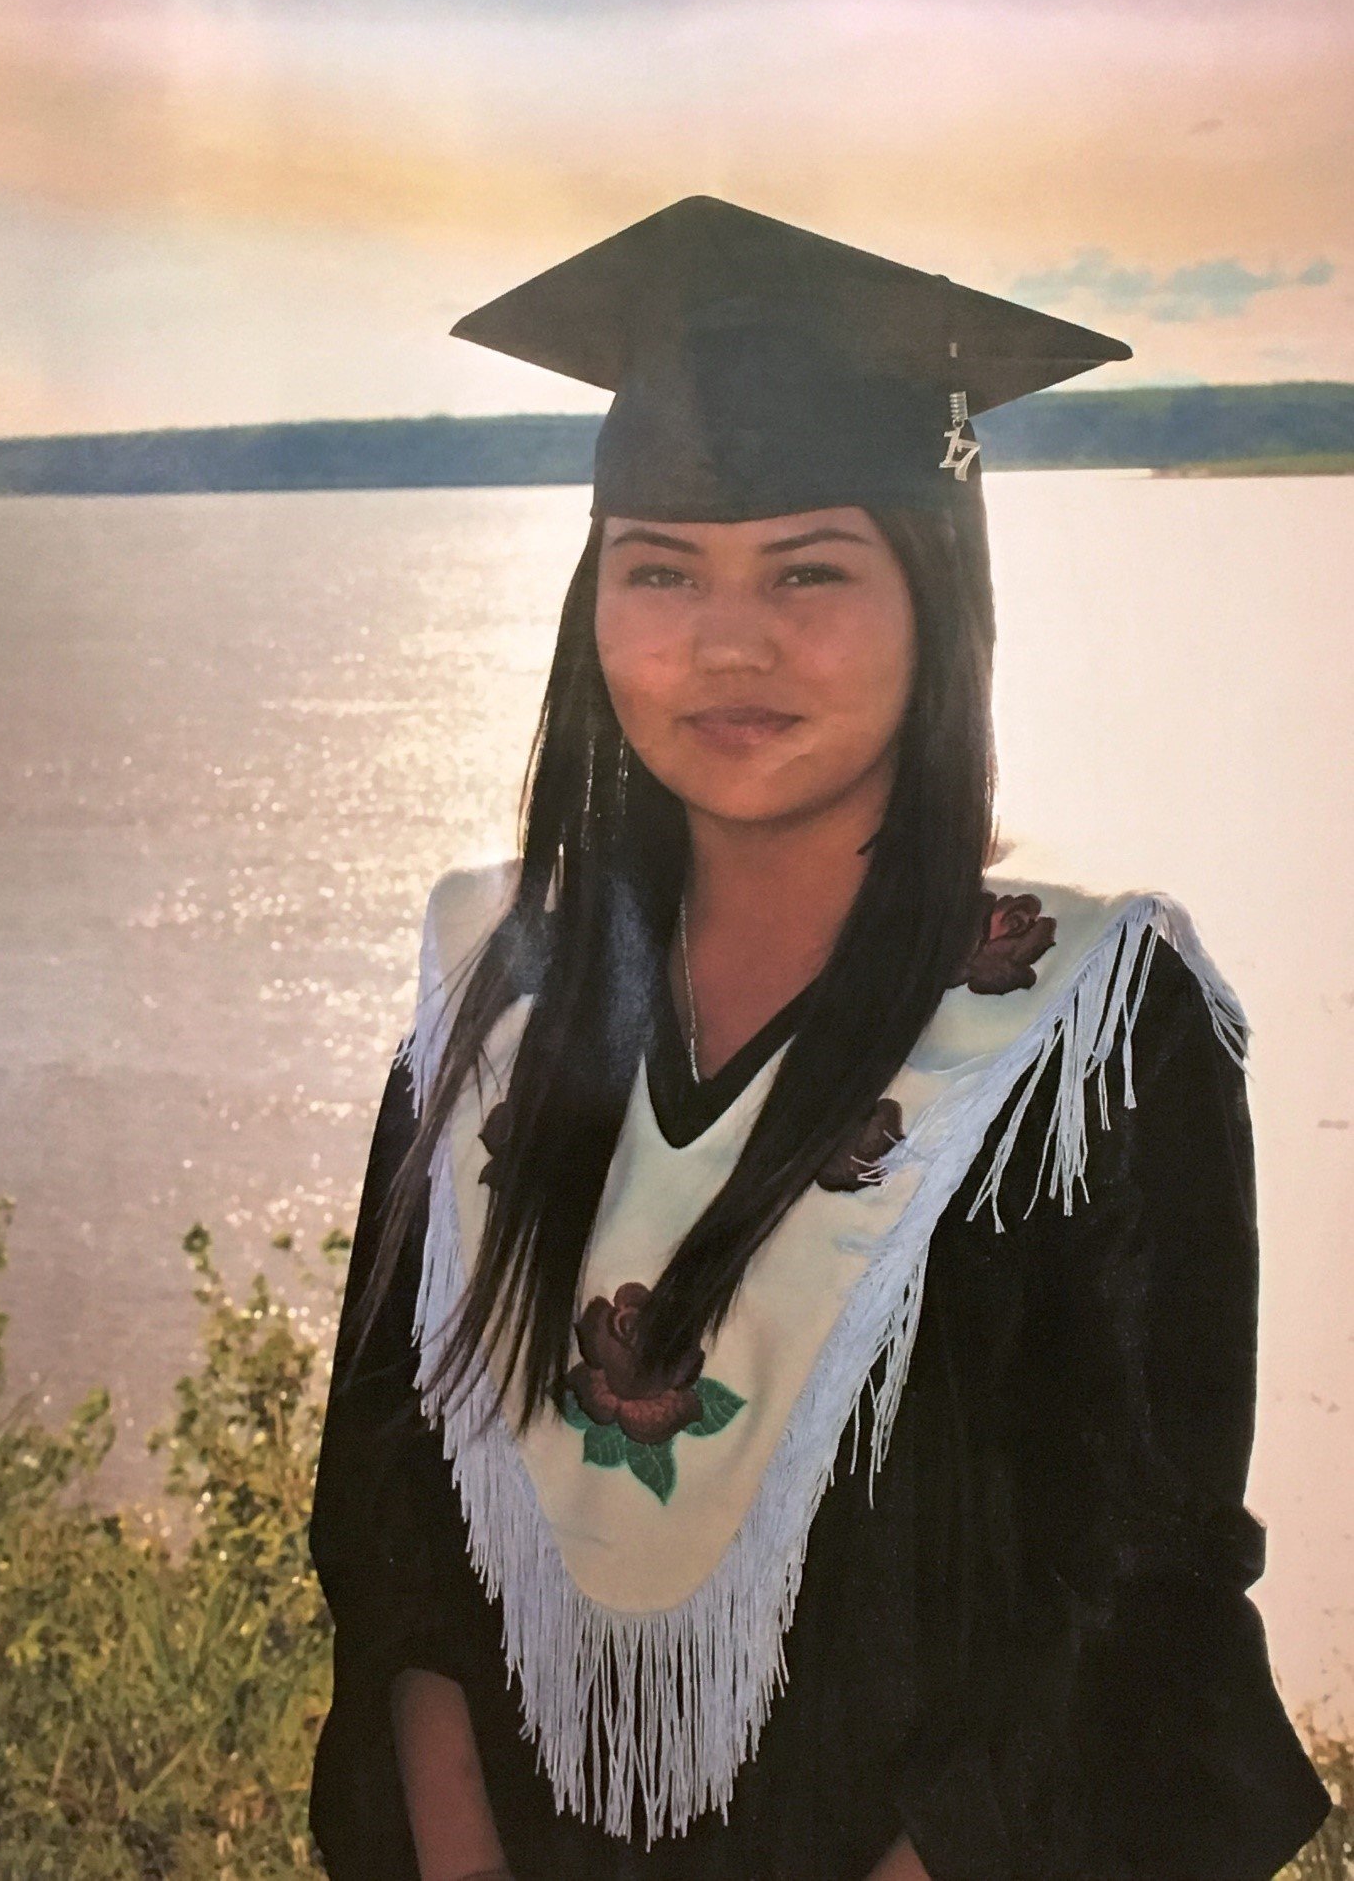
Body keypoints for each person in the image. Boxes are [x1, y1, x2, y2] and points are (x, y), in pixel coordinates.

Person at [307, 197, 1330, 1881]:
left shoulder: (1086, 1033)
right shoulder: (498, 984)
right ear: (590, 605)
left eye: (810, 572)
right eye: (661, 570)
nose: (730, 642)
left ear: (939, 599)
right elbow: (392, 1497)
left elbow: (1138, 1589)